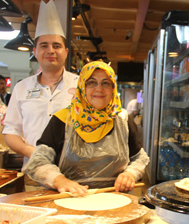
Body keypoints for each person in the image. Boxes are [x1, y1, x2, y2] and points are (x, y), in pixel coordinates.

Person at [23, 61, 150, 195]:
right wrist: (59, 180)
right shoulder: (62, 119)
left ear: (113, 88)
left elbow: (139, 158)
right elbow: (37, 162)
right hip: (69, 199)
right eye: (92, 83)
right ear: (82, 87)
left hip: (114, 199)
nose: (99, 89)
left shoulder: (123, 120)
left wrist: (130, 174)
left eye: (105, 83)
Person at [3, 0, 79, 167]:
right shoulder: (22, 88)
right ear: (35, 52)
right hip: (33, 172)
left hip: (73, 172)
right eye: (44, 45)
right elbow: (10, 131)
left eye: (56, 46)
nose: (51, 50)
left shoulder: (81, 85)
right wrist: (33, 153)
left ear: (66, 52)